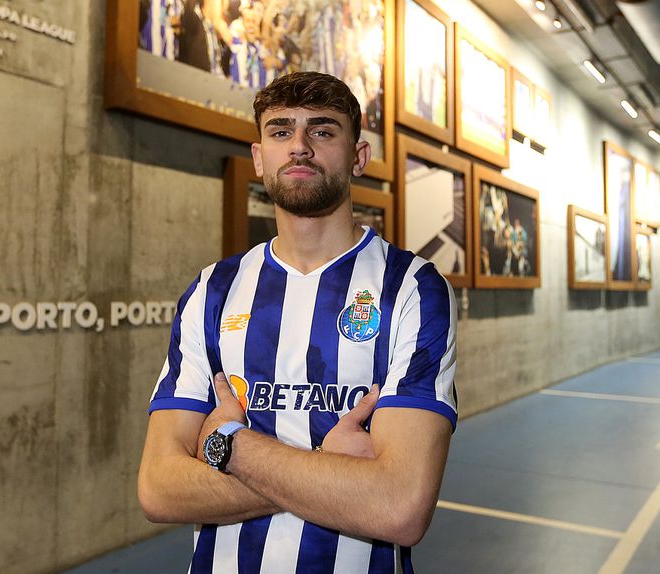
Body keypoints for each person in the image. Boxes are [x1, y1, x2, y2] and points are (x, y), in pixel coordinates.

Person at [138, 71, 457, 573]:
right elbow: (159, 489)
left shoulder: (411, 288)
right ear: (259, 156)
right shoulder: (212, 290)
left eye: (323, 131)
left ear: (358, 157)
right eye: (281, 131)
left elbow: (399, 506)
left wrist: (228, 444)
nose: (300, 146)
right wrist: (331, 471)